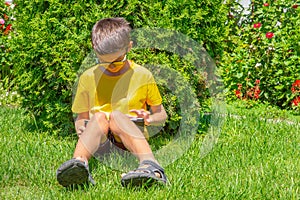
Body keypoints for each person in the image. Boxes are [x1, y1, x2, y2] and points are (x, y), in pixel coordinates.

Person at [56, 17, 168, 188]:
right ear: (95, 51)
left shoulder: (142, 75)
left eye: (117, 62)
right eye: (104, 62)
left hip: (129, 138)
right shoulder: (88, 77)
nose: (111, 68)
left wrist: (150, 118)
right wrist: (82, 129)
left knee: (116, 117)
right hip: (98, 142)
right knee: (100, 117)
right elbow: (81, 117)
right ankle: (79, 165)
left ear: (129, 47)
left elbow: (162, 114)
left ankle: (151, 166)